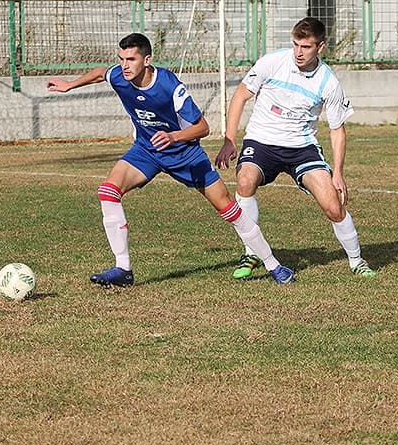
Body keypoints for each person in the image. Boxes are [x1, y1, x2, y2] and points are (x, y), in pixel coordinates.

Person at [47, 33, 295, 286]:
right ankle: (123, 269)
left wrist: (174, 136)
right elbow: (101, 73)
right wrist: (69, 84)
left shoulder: (169, 86)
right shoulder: (120, 76)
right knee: (108, 191)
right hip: (147, 151)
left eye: (131, 59)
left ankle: (274, 265)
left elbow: (202, 127)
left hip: (185, 155)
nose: (124, 65)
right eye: (121, 59)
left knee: (228, 208)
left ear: (147, 60)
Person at [214, 17, 376, 279]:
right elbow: (241, 95)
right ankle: (252, 251)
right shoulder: (273, 62)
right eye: (296, 44)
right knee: (245, 180)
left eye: (306, 47)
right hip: (262, 141)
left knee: (333, 205)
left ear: (320, 47)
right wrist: (230, 140)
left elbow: (337, 130)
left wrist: (338, 173)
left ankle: (357, 261)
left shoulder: (328, 82)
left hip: (301, 148)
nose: (299, 52)